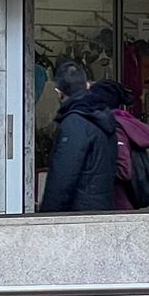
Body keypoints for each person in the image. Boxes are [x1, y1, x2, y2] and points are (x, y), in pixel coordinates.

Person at [38, 65, 117, 212]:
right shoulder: (103, 116)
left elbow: (63, 176)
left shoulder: (75, 122)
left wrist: (47, 216)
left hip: (79, 212)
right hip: (102, 208)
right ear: (87, 86)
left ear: (59, 93)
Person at [88, 80, 149, 210]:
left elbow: (124, 170)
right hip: (122, 205)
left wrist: (92, 169)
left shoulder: (115, 128)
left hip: (118, 205)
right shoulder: (121, 124)